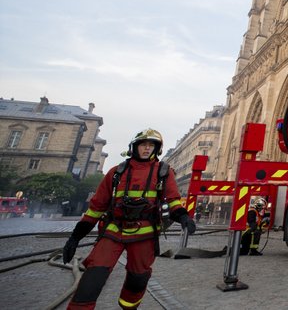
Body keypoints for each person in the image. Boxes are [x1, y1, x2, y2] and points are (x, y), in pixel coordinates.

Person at [61, 128, 196, 309]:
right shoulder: (116, 173)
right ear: (134, 146)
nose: (147, 149)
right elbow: (96, 209)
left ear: (157, 149)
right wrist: (75, 238)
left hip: (145, 235)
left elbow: (173, 201)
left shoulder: (163, 172)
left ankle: (128, 307)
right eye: (143, 145)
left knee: (138, 278)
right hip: (113, 230)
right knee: (94, 274)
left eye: (151, 146)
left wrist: (184, 217)